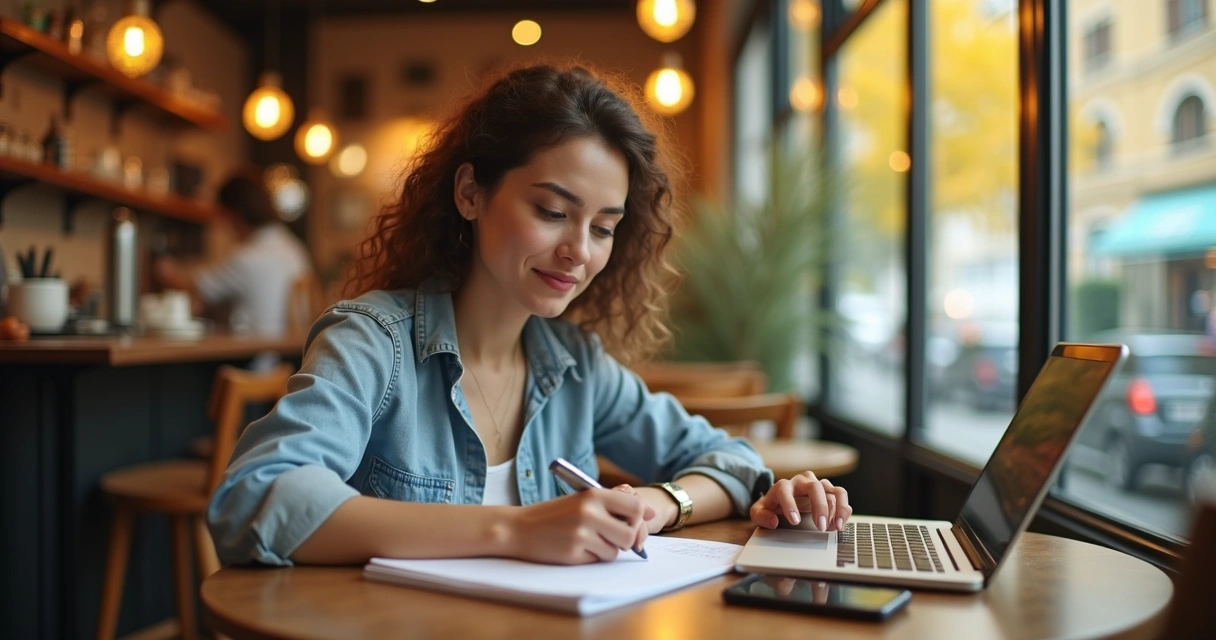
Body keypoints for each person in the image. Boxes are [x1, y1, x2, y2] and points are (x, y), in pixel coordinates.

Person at [207, 62, 852, 568]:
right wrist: (515, 529)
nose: (579, 251)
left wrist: (654, 506)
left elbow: (732, 462)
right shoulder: (373, 343)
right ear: (470, 193)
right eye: (551, 212)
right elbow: (257, 497)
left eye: (603, 228)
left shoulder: (574, 366)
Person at [153, 168, 313, 336]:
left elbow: (196, 287)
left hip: (261, 351)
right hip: (295, 350)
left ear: (236, 215)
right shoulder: (293, 246)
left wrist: (166, 272)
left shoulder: (250, 257)